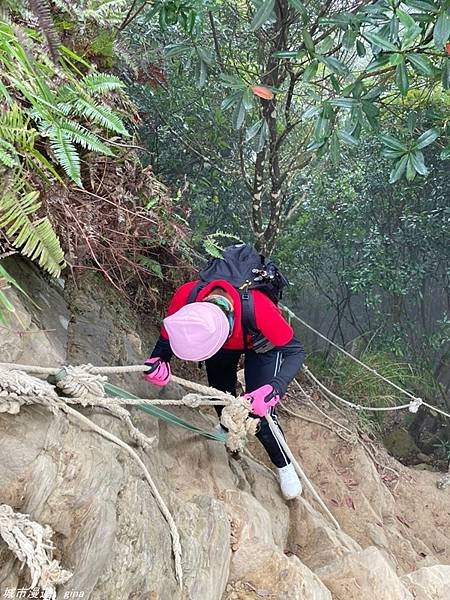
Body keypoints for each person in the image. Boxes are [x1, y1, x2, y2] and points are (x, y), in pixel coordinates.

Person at [143, 244, 305, 500]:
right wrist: (158, 361)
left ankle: (284, 465)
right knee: (220, 392)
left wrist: (275, 388)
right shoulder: (186, 297)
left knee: (258, 413)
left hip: (261, 343)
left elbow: (295, 351)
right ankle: (228, 429)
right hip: (219, 340)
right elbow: (166, 339)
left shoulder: (260, 309)